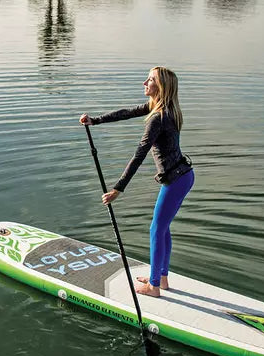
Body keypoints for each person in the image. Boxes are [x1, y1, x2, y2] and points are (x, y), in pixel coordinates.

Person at [79, 67, 194, 298]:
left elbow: (139, 154)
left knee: (156, 229)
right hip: (183, 176)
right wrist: (96, 121)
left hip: (176, 180)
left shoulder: (159, 118)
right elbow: (127, 112)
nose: (144, 82)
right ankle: (161, 278)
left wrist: (117, 189)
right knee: (163, 228)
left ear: (160, 87)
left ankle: (154, 287)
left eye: (149, 80)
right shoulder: (163, 109)